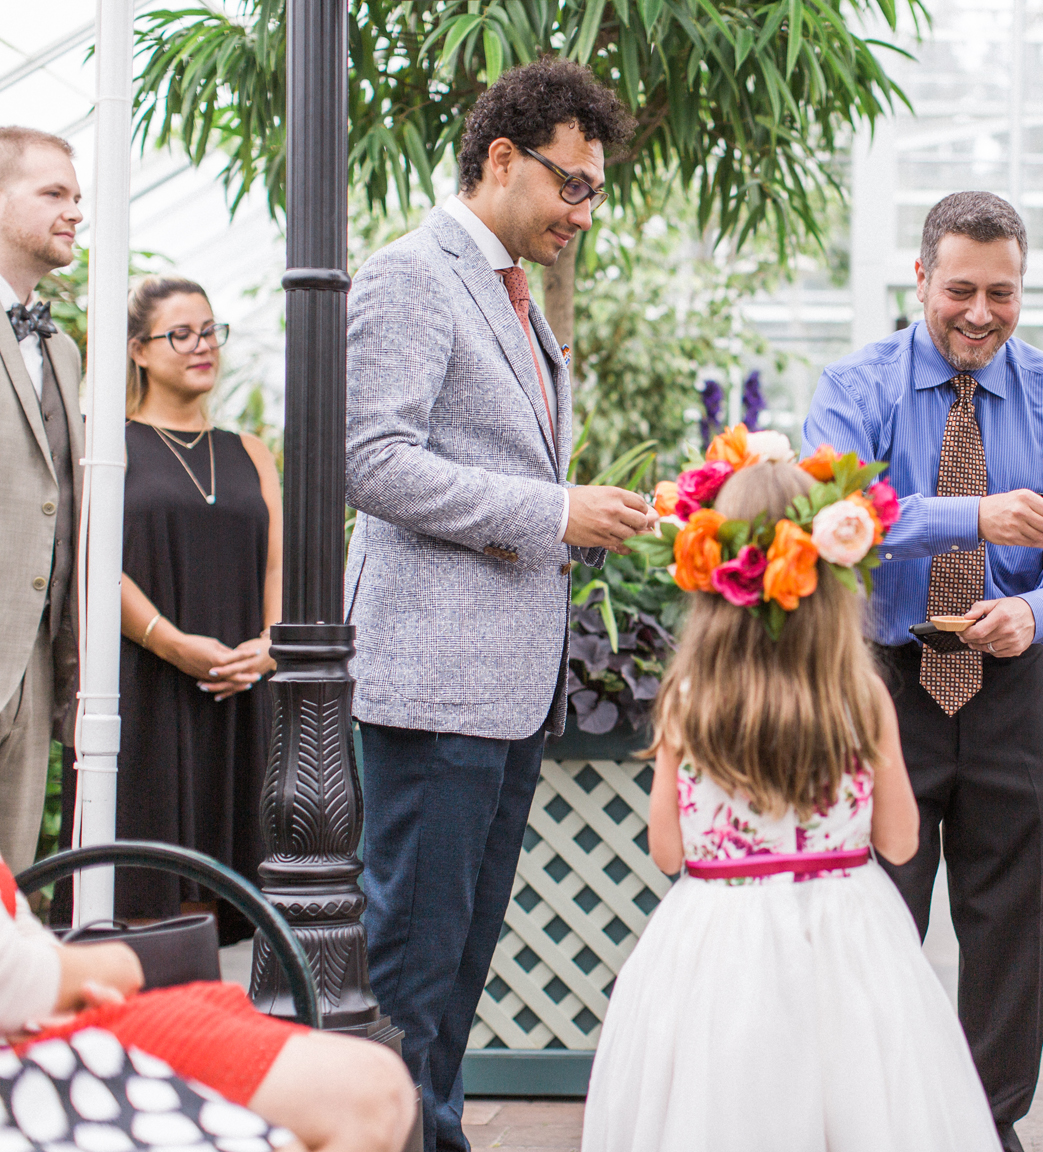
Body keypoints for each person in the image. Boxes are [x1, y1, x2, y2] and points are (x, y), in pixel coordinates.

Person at [343, 58, 654, 1152]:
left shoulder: (512, 293)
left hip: (501, 689)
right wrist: (550, 511)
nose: (584, 210)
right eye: (570, 185)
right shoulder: (411, 276)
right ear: (503, 159)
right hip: (434, 686)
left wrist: (575, 510)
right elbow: (371, 462)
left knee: (457, 966)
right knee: (412, 972)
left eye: (596, 191)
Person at [802, 190, 1043, 1152]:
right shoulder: (855, 389)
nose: (980, 312)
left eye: (1004, 293)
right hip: (883, 686)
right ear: (922, 280)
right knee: (876, 920)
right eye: (961, 290)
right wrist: (968, 516)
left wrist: (1037, 610)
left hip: (1009, 689)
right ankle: (881, 1123)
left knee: (1013, 929)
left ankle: (986, 1128)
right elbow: (833, 524)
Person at [582, 456, 999, 1152]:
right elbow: (900, 843)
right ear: (828, 574)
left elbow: (667, 851)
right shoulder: (860, 698)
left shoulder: (688, 699)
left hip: (716, 931)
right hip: (844, 928)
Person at [53, 276, 279, 940]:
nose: (202, 345)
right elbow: (93, 567)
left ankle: (198, 1032)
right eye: (181, 333)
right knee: (138, 896)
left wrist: (267, 647)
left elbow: (277, 565)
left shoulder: (252, 453)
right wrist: (171, 642)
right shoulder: (106, 443)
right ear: (138, 351)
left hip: (236, 692)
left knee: (218, 889)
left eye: (210, 330)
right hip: (143, 689)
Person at [0, 851, 415, 1152]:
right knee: (367, 1094)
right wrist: (117, 962)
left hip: (59, 1024)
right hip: (38, 1053)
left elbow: (20, 937)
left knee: (380, 1084)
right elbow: (18, 977)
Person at [0, 127, 83, 872]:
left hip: (32, 658)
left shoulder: (61, 349)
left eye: (77, 197)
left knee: (11, 890)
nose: (75, 212)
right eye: (53, 194)